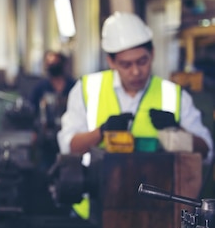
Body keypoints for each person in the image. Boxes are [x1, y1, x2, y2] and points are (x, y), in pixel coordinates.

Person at [58, 11, 213, 162]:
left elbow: (207, 151)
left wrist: (177, 131)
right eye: (126, 65)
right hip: (100, 186)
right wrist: (101, 132)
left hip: (157, 186)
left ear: (152, 54)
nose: (136, 71)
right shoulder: (87, 89)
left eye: (142, 61)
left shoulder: (174, 96)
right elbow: (69, 147)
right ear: (111, 62)